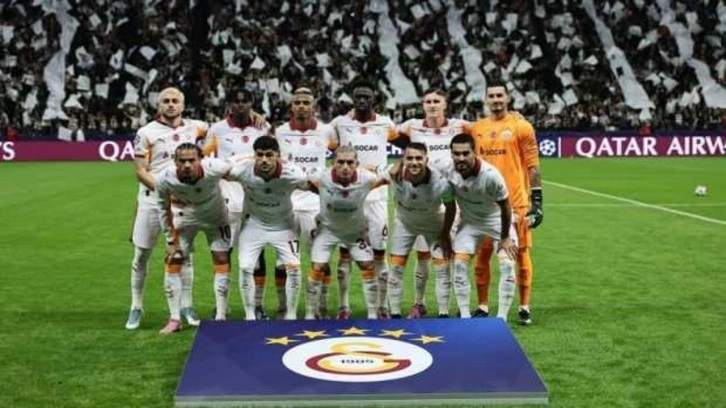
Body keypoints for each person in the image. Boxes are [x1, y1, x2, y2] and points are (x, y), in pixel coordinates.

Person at [126, 87, 206, 330]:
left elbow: (225, 129)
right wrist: (165, 191)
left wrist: (255, 117)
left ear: (183, 105)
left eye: (175, 101)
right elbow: (141, 171)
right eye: (166, 101)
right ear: (158, 105)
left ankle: (187, 305)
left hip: (182, 204)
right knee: (142, 254)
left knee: (185, 256)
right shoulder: (145, 132)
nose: (171, 105)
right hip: (152, 201)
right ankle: (136, 306)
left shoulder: (196, 127)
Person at [470, 82, 543, 325]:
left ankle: (524, 306)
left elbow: (533, 167)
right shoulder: (477, 128)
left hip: (516, 203)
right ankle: (482, 306)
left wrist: (537, 203)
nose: (496, 99)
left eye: (500, 95)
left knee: (520, 253)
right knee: (483, 254)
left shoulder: (521, 126)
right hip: (485, 204)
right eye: (491, 96)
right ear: (486, 99)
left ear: (508, 98)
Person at [395, 87, 470, 318]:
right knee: (422, 255)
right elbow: (384, 134)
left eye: (436, 101)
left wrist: (514, 116)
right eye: (428, 101)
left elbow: (486, 129)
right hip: (423, 199)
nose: (432, 105)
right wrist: (399, 163)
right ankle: (419, 303)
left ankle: (457, 306)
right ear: (423, 105)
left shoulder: (460, 126)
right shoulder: (411, 126)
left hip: (453, 198)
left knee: (453, 254)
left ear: (445, 104)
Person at [329, 78, 398, 319]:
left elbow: (408, 141)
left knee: (379, 253)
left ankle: (383, 306)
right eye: (357, 96)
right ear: (352, 98)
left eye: (366, 97)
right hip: (348, 198)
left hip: (377, 198)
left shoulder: (386, 124)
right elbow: (320, 138)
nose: (361, 101)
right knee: (345, 254)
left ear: (374, 99)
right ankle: (343, 306)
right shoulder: (340, 124)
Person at [204, 86, 272, 320]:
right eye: (236, 101)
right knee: (223, 253)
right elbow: (206, 162)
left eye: (245, 101)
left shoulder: (262, 127)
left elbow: (272, 158)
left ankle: (258, 305)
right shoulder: (217, 129)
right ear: (229, 105)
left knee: (257, 255)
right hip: (226, 199)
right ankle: (221, 308)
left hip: (255, 200)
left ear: (252, 103)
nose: (241, 105)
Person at [227, 136, 309, 320]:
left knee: (294, 269)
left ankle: (291, 315)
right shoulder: (242, 170)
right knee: (245, 267)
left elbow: (312, 186)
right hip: (254, 225)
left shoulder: (293, 173)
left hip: (284, 226)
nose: (264, 159)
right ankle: (250, 315)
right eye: (260, 155)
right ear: (254, 155)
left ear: (278, 156)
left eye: (269, 155)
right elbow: (220, 171)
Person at [155, 143, 233, 334]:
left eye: (192, 160)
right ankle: (175, 318)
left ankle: (221, 316)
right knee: (173, 259)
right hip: (185, 218)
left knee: (222, 259)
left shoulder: (214, 167)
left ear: (201, 160)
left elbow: (237, 164)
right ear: (175, 162)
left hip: (216, 217)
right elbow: (163, 209)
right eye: (182, 161)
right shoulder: (165, 178)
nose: (187, 165)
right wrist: (171, 240)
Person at [305, 145, 387, 320]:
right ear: (332, 163)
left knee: (368, 266)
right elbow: (297, 179)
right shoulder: (320, 176)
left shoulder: (366, 178)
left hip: (354, 233)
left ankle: (373, 315)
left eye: (350, 163)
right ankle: (310, 314)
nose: (345, 167)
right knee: (317, 268)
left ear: (357, 164)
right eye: (340, 162)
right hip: (327, 231)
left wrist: (378, 168)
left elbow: (390, 177)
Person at [275, 87, 336, 318]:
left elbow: (341, 154)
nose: (301, 106)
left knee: (320, 256)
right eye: (297, 102)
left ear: (314, 107)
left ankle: (321, 306)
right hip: (287, 203)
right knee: (283, 259)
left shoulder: (326, 131)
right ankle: (284, 308)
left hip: (315, 203)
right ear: (291, 106)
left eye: (306, 102)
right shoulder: (280, 132)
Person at [444, 133, 518, 320]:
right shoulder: (446, 169)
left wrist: (505, 237)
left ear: (474, 152)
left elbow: (505, 206)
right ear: (451, 154)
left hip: (497, 221)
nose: (461, 158)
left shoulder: (490, 175)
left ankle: (501, 318)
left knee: (508, 264)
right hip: (470, 222)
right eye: (456, 154)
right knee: (459, 265)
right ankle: (465, 317)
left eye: (465, 153)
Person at [382, 143, 456, 318]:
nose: (414, 162)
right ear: (403, 160)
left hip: (433, 223)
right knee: (396, 268)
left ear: (426, 160)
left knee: (442, 268)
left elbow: (451, 207)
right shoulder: (393, 173)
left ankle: (443, 315)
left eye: (418, 158)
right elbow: (370, 173)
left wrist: (445, 233)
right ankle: (395, 315)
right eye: (409, 158)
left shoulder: (441, 183)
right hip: (405, 223)